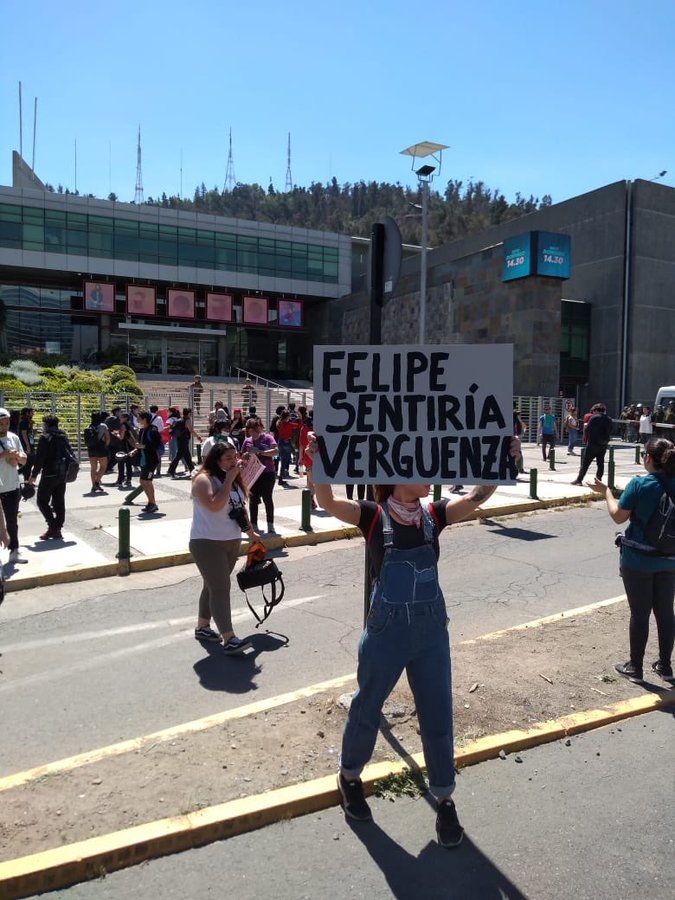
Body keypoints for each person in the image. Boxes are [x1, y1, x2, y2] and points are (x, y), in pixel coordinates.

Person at [306, 432, 520, 847]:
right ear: (398, 475)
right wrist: (318, 461)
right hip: (385, 634)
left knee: (438, 716)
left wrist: (501, 461)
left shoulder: (434, 515)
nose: (432, 477)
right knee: (367, 707)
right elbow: (328, 503)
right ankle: (349, 776)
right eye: (422, 471)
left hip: (430, 635)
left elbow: (478, 497)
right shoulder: (371, 515)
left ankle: (444, 799)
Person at [587, 437, 675, 684]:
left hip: (638, 561)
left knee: (640, 613)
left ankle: (635, 667)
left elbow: (618, 517)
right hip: (670, 560)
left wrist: (605, 492)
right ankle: (665, 667)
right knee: (666, 612)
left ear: (647, 458)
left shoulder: (639, 484)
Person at [190, 442, 260, 654]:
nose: (233, 461)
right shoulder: (203, 480)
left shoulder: (234, 480)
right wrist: (229, 479)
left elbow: (239, 508)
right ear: (216, 460)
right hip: (207, 543)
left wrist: (251, 533)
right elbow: (214, 506)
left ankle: (202, 626)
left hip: (230, 541)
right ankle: (229, 638)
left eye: (234, 456)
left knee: (211, 585)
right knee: (220, 588)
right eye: (228, 458)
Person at [28, 415, 75, 540]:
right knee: (59, 501)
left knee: (42, 501)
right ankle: (57, 528)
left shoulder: (45, 437)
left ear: (46, 425)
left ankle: (53, 527)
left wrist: (33, 475)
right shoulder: (63, 436)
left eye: (44, 424)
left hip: (49, 474)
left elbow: (40, 459)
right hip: (63, 474)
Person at [241, 417, 278, 533]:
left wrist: (261, 452)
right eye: (253, 430)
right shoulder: (247, 441)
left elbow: (276, 451)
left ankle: (270, 524)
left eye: (257, 429)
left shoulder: (268, 438)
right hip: (253, 473)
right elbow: (241, 456)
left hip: (267, 472)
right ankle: (254, 524)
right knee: (253, 499)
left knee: (267, 497)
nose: (255, 432)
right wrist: (246, 455)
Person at [0, 408, 27, 563]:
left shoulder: (14, 437)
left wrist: (18, 456)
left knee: (12, 520)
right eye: (1, 423)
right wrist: (3, 455)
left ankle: (14, 551)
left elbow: (23, 459)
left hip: (12, 485)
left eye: (6, 422)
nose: (4, 425)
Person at [571, 403, 613, 485]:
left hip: (592, 444)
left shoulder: (594, 418)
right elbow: (610, 430)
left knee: (585, 463)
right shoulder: (609, 419)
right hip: (603, 444)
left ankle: (579, 480)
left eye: (593, 411)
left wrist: (586, 428)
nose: (593, 413)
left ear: (596, 410)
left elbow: (588, 429)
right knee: (600, 463)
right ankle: (598, 480)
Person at [135, 411, 161, 514]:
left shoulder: (153, 430)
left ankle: (153, 503)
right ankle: (151, 502)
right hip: (144, 459)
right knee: (142, 481)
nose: (137, 420)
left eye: (139, 418)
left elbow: (156, 445)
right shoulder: (142, 430)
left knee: (147, 481)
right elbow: (141, 445)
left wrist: (143, 446)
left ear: (144, 419)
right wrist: (135, 450)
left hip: (151, 460)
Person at [167, 408, 201, 478]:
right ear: (188, 413)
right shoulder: (187, 420)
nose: (192, 414)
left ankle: (192, 470)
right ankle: (171, 470)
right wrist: (198, 437)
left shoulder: (180, 419)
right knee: (179, 455)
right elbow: (191, 430)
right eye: (191, 413)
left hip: (179, 439)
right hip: (184, 439)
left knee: (187, 455)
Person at [85, 411, 110, 493]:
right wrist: (106, 446)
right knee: (103, 466)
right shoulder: (103, 426)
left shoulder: (89, 426)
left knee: (93, 468)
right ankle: (97, 481)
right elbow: (108, 438)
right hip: (101, 448)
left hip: (91, 449)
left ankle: (93, 486)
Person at [18, 407, 36, 478]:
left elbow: (28, 432)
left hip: (30, 444)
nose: (33, 414)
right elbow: (24, 434)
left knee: (29, 462)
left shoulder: (28, 421)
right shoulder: (24, 422)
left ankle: (27, 479)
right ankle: (18, 474)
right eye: (32, 412)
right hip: (26, 445)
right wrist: (27, 446)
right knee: (28, 462)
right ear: (27, 413)